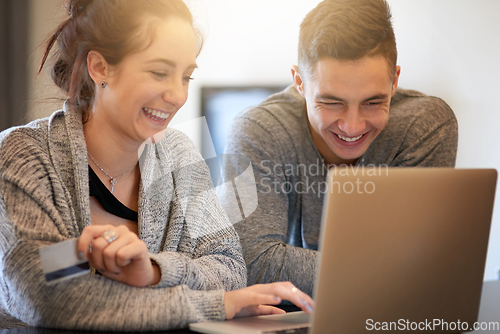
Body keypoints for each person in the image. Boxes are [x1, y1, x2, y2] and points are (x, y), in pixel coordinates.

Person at [0, 0, 314, 331]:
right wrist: (209, 305)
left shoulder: (180, 154)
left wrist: (153, 271)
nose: (178, 96)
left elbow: (230, 269)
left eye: (187, 76)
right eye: (159, 72)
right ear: (100, 67)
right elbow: (41, 295)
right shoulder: (23, 154)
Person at [219, 0, 458, 298]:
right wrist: (392, 271)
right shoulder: (259, 130)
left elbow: (419, 267)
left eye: (373, 102)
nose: (353, 126)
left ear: (394, 80)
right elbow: (250, 263)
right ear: (299, 83)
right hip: (289, 316)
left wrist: (405, 271)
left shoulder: (423, 126)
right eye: (332, 102)